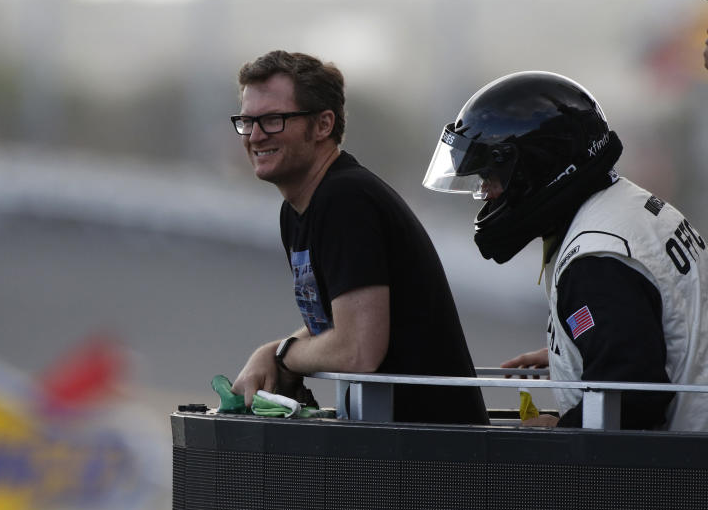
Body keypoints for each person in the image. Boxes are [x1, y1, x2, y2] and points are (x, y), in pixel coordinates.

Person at [423, 70, 708, 430]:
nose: (487, 192)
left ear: (535, 168)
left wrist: (555, 430)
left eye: (490, 177)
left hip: (680, 476)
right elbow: (661, 333)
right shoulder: (629, 208)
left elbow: (633, 404)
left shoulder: (595, 260)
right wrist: (581, 350)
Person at [228, 50, 488, 425]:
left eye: (272, 120)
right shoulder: (302, 207)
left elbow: (357, 349)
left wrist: (283, 354)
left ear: (322, 125)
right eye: (247, 121)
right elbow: (340, 322)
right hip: (400, 442)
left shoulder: (345, 200)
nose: (254, 136)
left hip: (432, 453)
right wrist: (274, 351)